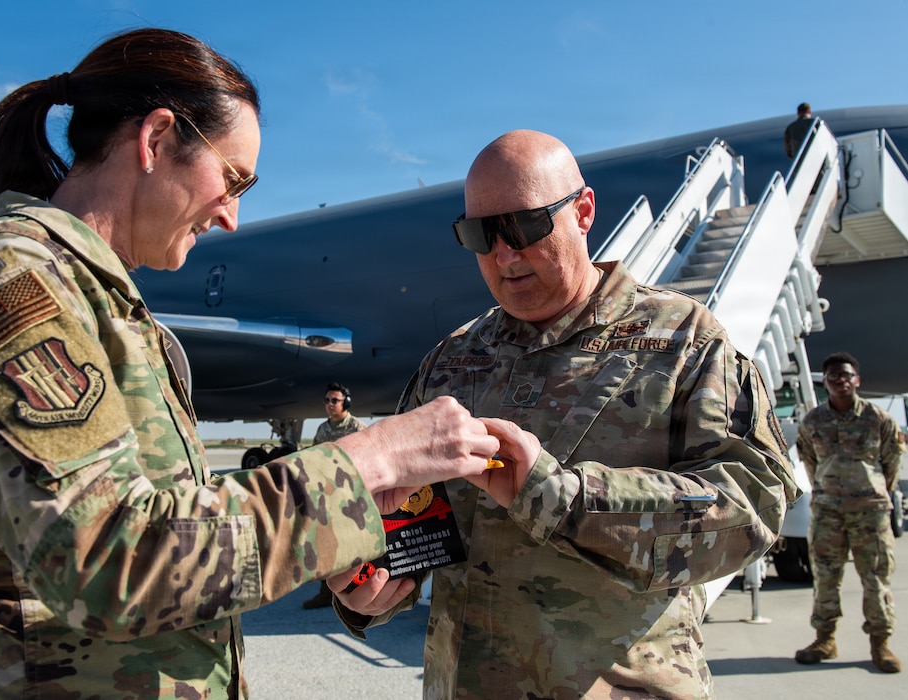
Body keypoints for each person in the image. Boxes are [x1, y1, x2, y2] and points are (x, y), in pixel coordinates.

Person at [0, 29, 507, 699]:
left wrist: (332, 538)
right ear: (158, 139)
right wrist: (370, 461)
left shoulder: (101, 302)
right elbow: (109, 561)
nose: (230, 216)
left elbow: (163, 530)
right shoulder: (3, 279)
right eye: (232, 180)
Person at [328, 130, 801, 699]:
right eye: (481, 235)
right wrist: (368, 588)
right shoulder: (451, 361)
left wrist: (560, 496)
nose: (504, 254)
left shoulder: (684, 343)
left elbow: (754, 506)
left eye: (524, 227)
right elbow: (412, 525)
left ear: (583, 212)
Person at [793, 352, 905, 673]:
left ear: (857, 379)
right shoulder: (813, 422)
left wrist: (871, 491)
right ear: (825, 382)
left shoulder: (878, 419)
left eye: (846, 376)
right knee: (826, 576)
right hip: (828, 512)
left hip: (870, 512)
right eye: (833, 377)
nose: (840, 381)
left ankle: (880, 644)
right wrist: (828, 492)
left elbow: (891, 464)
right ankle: (825, 639)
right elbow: (810, 463)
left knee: (875, 579)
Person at [303, 382, 369, 609]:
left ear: (346, 402)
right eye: (327, 401)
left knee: (356, 545)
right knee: (326, 545)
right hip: (327, 497)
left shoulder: (358, 427)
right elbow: (314, 458)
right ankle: (326, 593)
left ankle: (358, 592)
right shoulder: (323, 430)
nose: (330, 405)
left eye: (335, 400)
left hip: (351, 497)